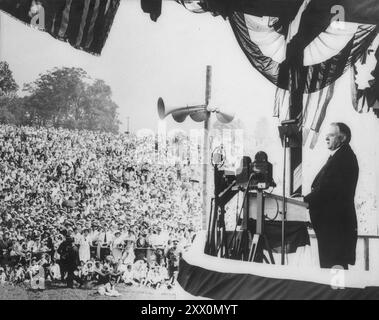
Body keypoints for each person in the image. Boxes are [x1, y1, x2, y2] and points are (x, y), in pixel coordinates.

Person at [304, 123, 359, 270]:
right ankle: (336, 292)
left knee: (335, 268)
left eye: (331, 135)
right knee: (332, 268)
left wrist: (303, 201)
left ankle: (337, 293)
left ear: (343, 138)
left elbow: (327, 189)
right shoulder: (340, 156)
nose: (326, 137)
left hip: (336, 228)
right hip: (332, 227)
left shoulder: (344, 159)